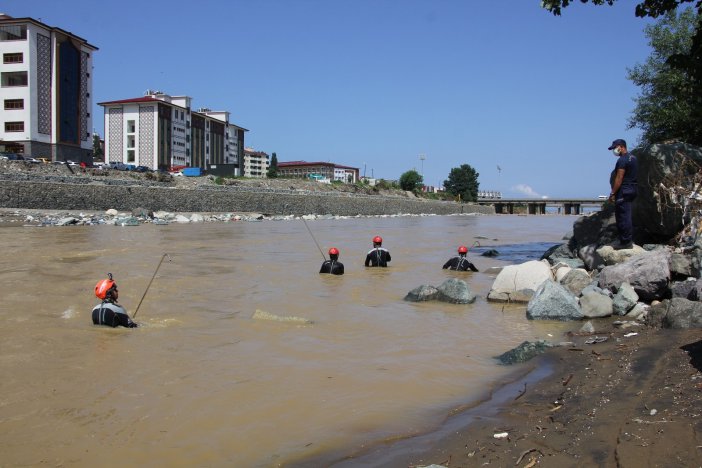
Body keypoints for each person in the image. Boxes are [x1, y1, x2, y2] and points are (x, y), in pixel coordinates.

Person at [607, 138, 638, 250]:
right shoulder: (633, 158)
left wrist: (612, 193)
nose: (614, 151)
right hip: (633, 189)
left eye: (614, 148)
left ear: (621, 146)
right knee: (627, 215)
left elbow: (619, 177)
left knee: (622, 217)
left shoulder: (622, 160)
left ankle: (625, 242)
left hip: (624, 191)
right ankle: (627, 240)